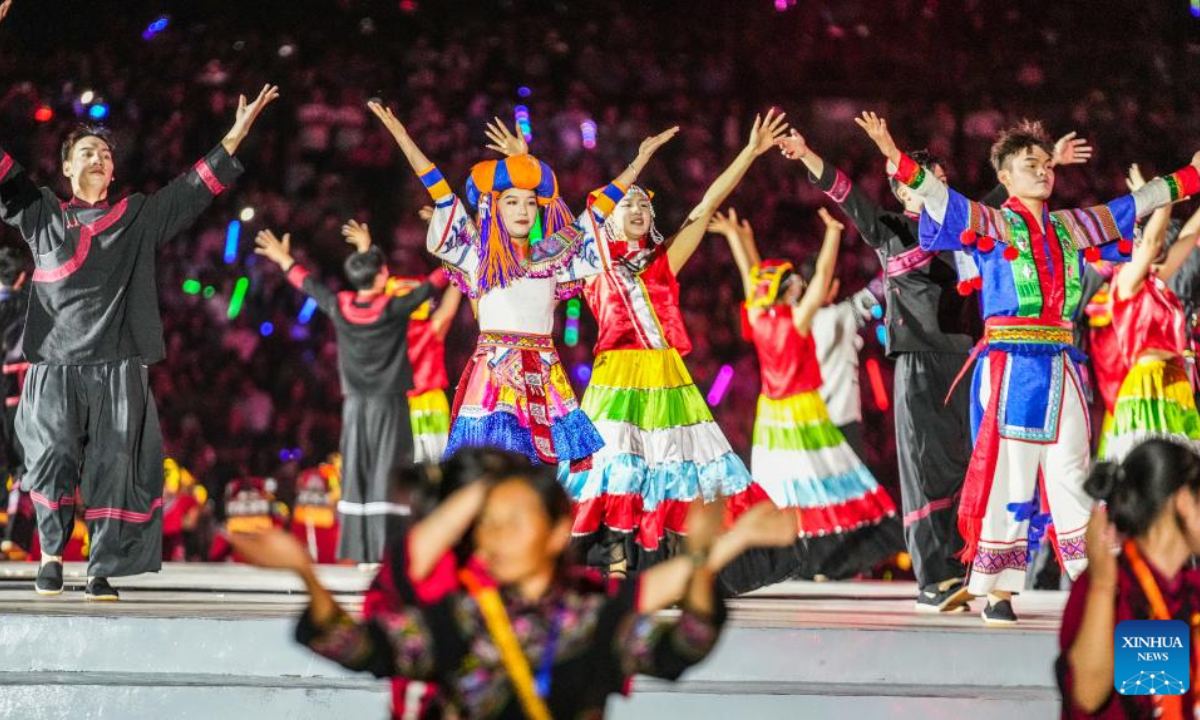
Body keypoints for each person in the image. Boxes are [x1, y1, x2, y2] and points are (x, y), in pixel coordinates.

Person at [862, 110, 1200, 623]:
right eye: (1030, 164)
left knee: (1073, 474)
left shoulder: (1072, 226)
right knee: (1011, 477)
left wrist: (1190, 176)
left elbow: (1132, 205)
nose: (1043, 171)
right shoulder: (994, 222)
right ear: (1005, 177)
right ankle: (998, 590)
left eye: (1047, 164)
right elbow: (938, 200)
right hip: (1010, 366)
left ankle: (1096, 580)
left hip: (1062, 365)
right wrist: (894, 154)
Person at [778, 125, 1090, 611]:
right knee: (924, 469)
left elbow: (1008, 190)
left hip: (968, 360)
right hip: (918, 362)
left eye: (940, 180)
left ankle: (971, 568)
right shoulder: (890, 229)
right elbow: (846, 193)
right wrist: (806, 154)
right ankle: (932, 578)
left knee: (972, 466)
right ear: (903, 188)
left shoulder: (965, 226)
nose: (934, 187)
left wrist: (1053, 159)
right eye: (924, 180)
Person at [229, 456, 797, 720]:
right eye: (486, 524)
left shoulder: (592, 616)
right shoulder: (460, 616)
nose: (493, 536)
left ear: (556, 533)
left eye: (512, 520)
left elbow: (684, 644)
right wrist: (306, 573)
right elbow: (362, 649)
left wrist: (705, 561)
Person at [0, 69, 278, 599]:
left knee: (114, 466)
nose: (97, 159)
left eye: (104, 154)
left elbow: (192, 189)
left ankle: (100, 568)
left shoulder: (136, 217)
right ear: (65, 168)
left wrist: (235, 135)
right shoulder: (40, 213)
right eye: (85, 152)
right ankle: (52, 555)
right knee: (53, 456)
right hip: (53, 367)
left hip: (118, 369)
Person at [535, 110, 792, 581]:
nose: (636, 211)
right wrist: (637, 161)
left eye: (644, 206)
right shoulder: (592, 264)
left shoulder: (663, 260)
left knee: (680, 469)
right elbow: (586, 213)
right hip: (616, 379)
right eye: (627, 205)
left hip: (667, 377)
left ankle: (672, 565)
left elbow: (706, 205)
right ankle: (609, 560)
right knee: (614, 470)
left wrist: (749, 153)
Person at [367, 101, 675, 472]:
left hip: (545, 378)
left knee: (543, 475)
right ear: (494, 209)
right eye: (511, 202)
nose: (523, 210)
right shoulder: (477, 255)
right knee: (487, 471)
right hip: (495, 377)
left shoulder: (552, 256)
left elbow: (597, 213)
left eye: (530, 203)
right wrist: (402, 136)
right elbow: (441, 192)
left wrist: (638, 161)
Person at [718, 206, 902, 579]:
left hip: (770, 415)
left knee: (779, 487)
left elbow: (752, 277)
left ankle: (782, 560)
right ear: (788, 293)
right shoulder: (797, 319)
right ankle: (829, 555)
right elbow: (820, 283)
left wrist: (741, 240)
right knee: (832, 479)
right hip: (803, 410)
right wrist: (833, 234)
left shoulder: (758, 317)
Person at [254, 220, 447, 564]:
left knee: (359, 469)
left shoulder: (341, 305)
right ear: (383, 277)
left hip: (356, 406)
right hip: (390, 405)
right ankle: (386, 552)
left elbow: (309, 285)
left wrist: (284, 259)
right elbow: (434, 283)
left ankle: (361, 552)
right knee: (389, 471)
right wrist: (462, 249)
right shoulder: (392, 308)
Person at [1059, 440, 1200, 718]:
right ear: (1184, 501)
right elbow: (1087, 696)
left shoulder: (1188, 589)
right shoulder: (1114, 585)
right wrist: (1102, 587)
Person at [1102, 165, 1200, 461]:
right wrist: (1166, 195)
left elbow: (1191, 234)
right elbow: (1152, 243)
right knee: (1151, 466)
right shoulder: (1126, 283)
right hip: (1147, 384)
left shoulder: (1159, 283)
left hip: (1177, 383)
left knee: (1184, 469)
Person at [386, 265, 462, 464]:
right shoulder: (431, 329)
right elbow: (447, 311)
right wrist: (459, 273)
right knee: (435, 464)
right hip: (429, 404)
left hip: (395, 405)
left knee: (400, 466)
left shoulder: (381, 334)